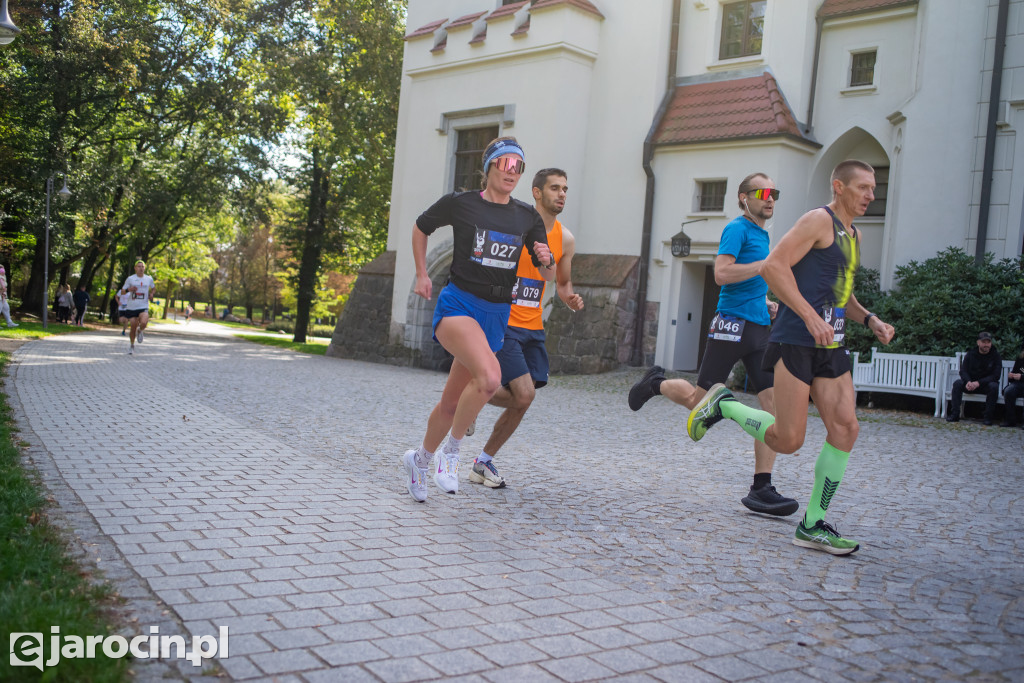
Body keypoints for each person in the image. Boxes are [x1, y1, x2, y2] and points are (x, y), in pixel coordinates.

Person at [685, 160, 895, 555]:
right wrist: (810, 316)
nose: (870, 195)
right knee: (788, 439)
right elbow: (775, 266)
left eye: (873, 188)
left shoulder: (855, 235)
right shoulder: (818, 221)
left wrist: (869, 319)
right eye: (863, 187)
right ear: (839, 186)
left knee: (846, 428)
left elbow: (840, 292)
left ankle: (813, 523)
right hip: (797, 339)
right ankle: (725, 405)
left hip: (831, 344)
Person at [629, 172, 797, 516]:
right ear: (743, 198)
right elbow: (722, 273)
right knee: (698, 400)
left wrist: (764, 300)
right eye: (762, 192)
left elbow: (749, 279)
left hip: (759, 327)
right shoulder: (737, 228)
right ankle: (656, 384)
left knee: (772, 408)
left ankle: (762, 487)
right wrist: (763, 267)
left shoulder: (763, 234)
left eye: (774, 192)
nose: (770, 198)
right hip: (731, 326)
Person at [403, 137, 554, 503]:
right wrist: (422, 274)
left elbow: (547, 275)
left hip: (496, 315)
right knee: (490, 378)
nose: (511, 172)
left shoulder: (526, 216)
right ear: (488, 167)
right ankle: (450, 455)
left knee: (452, 403)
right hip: (459, 305)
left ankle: (419, 460)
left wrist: (545, 257)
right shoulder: (461, 203)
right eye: (504, 164)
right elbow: (421, 227)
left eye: (518, 166)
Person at [471, 168, 584, 489]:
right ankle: (472, 399)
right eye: (554, 188)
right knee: (524, 393)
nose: (561, 194)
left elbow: (562, 283)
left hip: (533, 328)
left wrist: (570, 298)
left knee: (523, 400)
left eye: (565, 188)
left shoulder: (565, 238)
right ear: (536, 192)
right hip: (502, 322)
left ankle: (482, 462)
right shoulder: (514, 225)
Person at [946, 332, 1003, 425]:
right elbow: (963, 371)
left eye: (988, 342)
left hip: (985, 386)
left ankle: (988, 418)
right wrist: (968, 381)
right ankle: (955, 414)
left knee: (994, 386)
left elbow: (996, 376)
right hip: (970, 385)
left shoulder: (996, 356)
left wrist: (978, 383)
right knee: (957, 383)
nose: (986, 345)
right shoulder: (971, 354)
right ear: (978, 342)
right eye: (984, 342)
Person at [121, 260, 155, 354]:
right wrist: (129, 289)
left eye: (142, 266)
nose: (141, 268)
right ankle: (132, 345)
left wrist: (151, 294)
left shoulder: (149, 279)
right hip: (132, 307)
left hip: (143, 305)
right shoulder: (130, 279)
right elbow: (122, 291)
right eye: (139, 266)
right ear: (135, 268)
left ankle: (140, 330)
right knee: (133, 327)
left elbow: (153, 288)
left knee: (144, 322)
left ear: (144, 268)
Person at [1002, 342, 1024, 428]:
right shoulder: (1020, 359)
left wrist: (1021, 377)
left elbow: (1020, 376)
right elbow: (1013, 376)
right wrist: (1011, 376)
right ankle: (1010, 420)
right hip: (1019, 385)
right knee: (1009, 391)